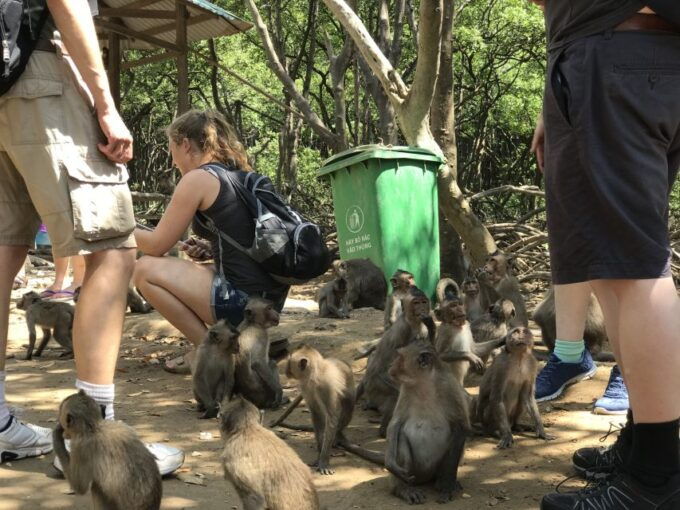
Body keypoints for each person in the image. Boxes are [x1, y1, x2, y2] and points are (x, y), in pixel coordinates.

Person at [0, 0, 183, 474]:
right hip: (40, 75)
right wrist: (105, 104)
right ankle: (93, 441)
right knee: (113, 250)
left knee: (3, 251)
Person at [530, 1, 680, 508]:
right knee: (617, 266)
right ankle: (645, 452)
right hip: (631, 54)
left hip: (612, 50)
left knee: (633, 270)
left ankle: (656, 480)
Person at [133, 109, 290, 374]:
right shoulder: (239, 174)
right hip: (268, 302)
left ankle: (210, 350)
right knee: (159, 266)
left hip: (243, 304)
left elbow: (156, 245)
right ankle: (229, 343)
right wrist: (211, 249)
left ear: (185, 144)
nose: (172, 161)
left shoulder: (197, 179)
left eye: (172, 150)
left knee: (144, 269)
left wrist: (119, 227)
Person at [532, 112, 629, 414]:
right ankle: (569, 355)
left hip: (642, 94)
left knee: (627, 245)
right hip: (571, 100)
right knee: (569, 234)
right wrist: (547, 111)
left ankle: (633, 370)